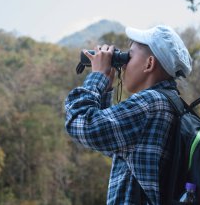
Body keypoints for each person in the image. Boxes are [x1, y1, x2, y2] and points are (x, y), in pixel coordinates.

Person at [64, 25, 192, 205]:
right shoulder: (170, 103)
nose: (123, 64)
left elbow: (81, 124)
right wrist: (105, 89)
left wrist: (97, 77)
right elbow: (110, 142)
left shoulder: (150, 103)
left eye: (129, 56)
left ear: (149, 64)